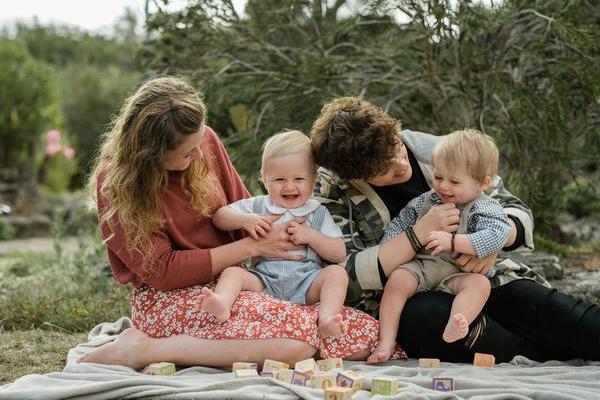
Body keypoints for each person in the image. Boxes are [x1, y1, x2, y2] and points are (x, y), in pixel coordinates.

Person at [78, 78, 406, 370]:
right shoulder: (116, 184)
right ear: (151, 154)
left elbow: (243, 209)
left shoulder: (203, 140)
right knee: (296, 344)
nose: (198, 154)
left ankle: (241, 341)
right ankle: (146, 348)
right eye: (186, 153)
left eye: (198, 145)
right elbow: (164, 273)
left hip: (239, 285)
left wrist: (282, 240)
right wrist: (250, 247)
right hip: (171, 297)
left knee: (364, 335)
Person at [311, 96, 600, 363]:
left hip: (480, 275)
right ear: (358, 177)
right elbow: (343, 272)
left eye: (397, 149)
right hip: (410, 294)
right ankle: (534, 354)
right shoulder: (333, 189)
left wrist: (490, 242)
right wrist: (417, 234)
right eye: (387, 170)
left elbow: (513, 209)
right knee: (429, 320)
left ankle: (566, 341)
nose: (401, 164)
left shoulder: (439, 149)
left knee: (552, 312)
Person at [368, 129, 509, 364]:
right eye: (438, 177)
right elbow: (400, 223)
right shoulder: (425, 201)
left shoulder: (485, 207)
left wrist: (455, 242)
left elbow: (496, 235)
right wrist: (389, 247)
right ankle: (387, 340)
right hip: (423, 266)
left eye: (454, 181)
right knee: (398, 281)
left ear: (482, 183)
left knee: (480, 285)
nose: (443, 186)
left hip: (459, 272)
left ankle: (458, 321)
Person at [198, 130, 348, 338]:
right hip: (264, 280)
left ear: (313, 179)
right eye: (279, 179)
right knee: (233, 273)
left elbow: (339, 253)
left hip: (306, 283)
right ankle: (222, 302)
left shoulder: (317, 212)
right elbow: (219, 217)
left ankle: (326, 319)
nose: (289, 186)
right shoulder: (259, 206)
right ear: (264, 179)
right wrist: (245, 220)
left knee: (337, 274)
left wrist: (311, 236)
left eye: (299, 179)